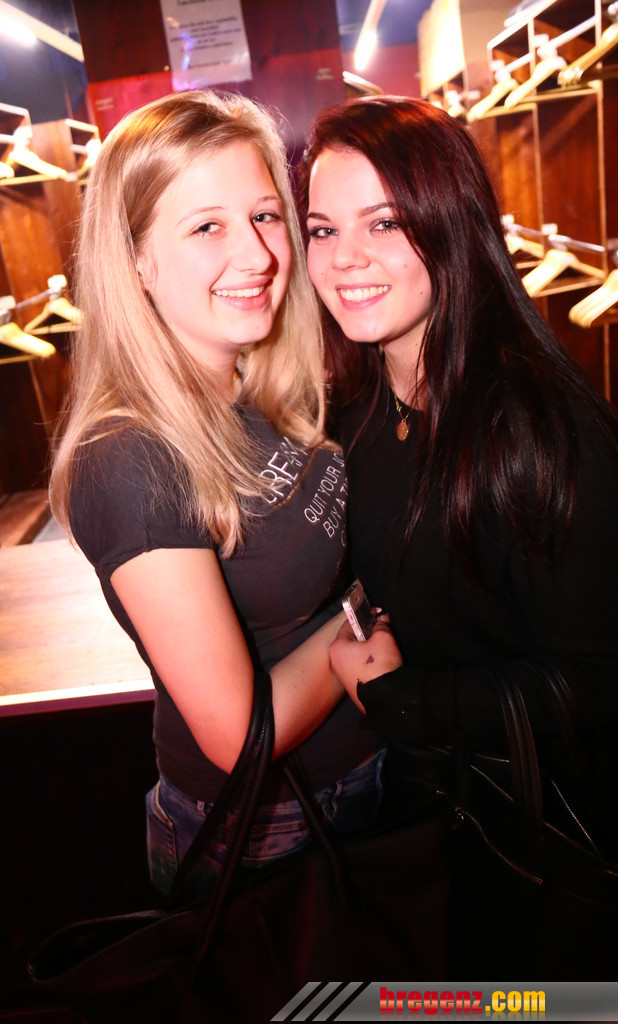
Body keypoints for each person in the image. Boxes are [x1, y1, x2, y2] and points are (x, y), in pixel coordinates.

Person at [299, 95, 618, 974]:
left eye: (384, 222)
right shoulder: (351, 407)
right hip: (417, 832)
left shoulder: (534, 427)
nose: (344, 259)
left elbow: (600, 682)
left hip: (524, 849)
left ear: (450, 223)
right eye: (322, 229)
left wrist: (400, 695)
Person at [49, 90, 384, 901]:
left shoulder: (256, 386)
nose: (258, 254)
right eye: (207, 227)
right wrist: (366, 621)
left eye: (265, 217)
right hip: (266, 827)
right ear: (136, 260)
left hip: (359, 771)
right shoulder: (128, 456)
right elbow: (239, 736)